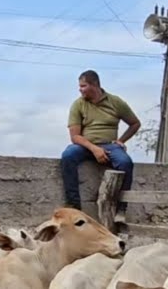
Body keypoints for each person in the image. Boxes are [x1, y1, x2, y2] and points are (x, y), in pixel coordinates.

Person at [59, 69, 140, 209]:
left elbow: (135, 123)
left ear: (95, 84)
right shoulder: (78, 104)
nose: (80, 90)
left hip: (110, 146)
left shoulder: (115, 102)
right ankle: (74, 205)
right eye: (79, 86)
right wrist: (95, 149)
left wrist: (121, 141)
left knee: (125, 162)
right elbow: (75, 136)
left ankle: (121, 209)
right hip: (85, 146)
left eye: (83, 86)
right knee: (68, 155)